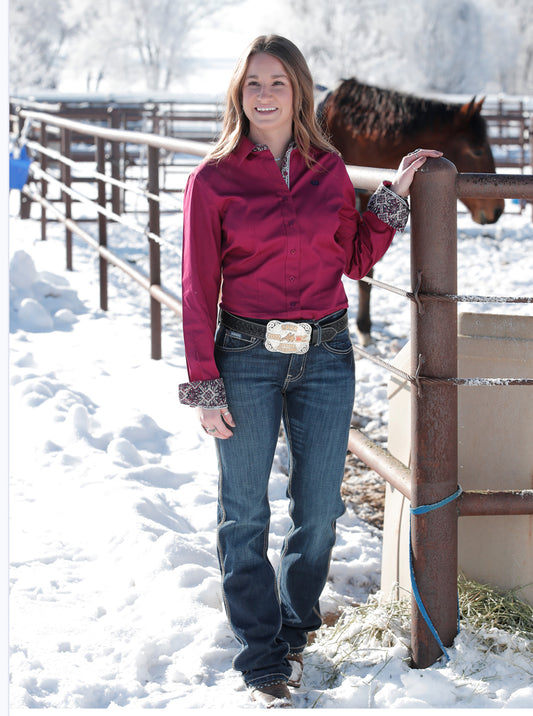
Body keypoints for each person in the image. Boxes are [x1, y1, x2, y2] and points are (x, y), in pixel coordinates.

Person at [179, 34, 442, 708]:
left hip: (326, 356)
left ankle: (293, 630)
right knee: (243, 514)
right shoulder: (212, 180)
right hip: (245, 356)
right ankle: (261, 655)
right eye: (252, 84)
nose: (263, 95)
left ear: (298, 92)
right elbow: (194, 287)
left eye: (277, 83)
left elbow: (354, 258)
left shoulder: (328, 169)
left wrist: (393, 197)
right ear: (238, 94)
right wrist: (204, 384)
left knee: (319, 510)